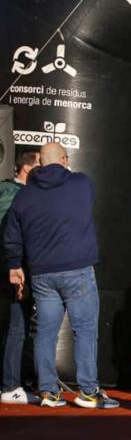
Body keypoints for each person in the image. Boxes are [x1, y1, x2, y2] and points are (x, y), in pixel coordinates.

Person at [5, 143, 119, 409]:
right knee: (85, 331)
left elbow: (12, 237)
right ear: (65, 160)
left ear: (40, 164)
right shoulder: (80, 183)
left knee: (45, 333)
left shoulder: (24, 196)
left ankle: (48, 391)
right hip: (77, 269)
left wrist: (14, 266)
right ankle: (88, 391)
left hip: (42, 273)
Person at [1, 150, 41, 405]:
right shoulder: (15, 195)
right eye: (41, 165)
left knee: (17, 328)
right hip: (15, 271)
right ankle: (10, 384)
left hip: (16, 269)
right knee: (17, 328)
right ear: (27, 168)